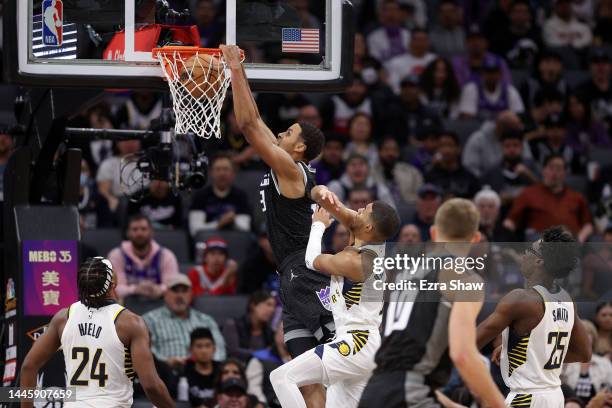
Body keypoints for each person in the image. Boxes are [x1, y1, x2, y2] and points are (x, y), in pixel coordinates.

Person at [221, 44, 331, 406]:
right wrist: (242, 75)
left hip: (307, 270)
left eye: (287, 132)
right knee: (305, 375)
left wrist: (235, 67)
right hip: (290, 272)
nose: (280, 134)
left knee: (335, 367)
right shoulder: (288, 162)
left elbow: (249, 126)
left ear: (298, 149)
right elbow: (257, 124)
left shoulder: (290, 168)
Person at [359, 198, 505, 408]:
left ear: (434, 233)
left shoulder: (404, 274)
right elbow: (463, 354)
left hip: (374, 392)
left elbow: (410, 377)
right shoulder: (464, 277)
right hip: (408, 394)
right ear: (475, 238)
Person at [270, 187, 400, 407]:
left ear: (368, 226)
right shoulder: (371, 243)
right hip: (363, 346)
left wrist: (318, 225)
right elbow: (345, 213)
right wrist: (322, 194)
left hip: (355, 343)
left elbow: (311, 261)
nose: (358, 209)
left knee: (282, 377)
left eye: (365, 209)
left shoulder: (357, 262)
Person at [20, 257, 174, 408]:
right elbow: (151, 386)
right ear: (114, 282)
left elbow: (28, 366)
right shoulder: (130, 322)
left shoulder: (63, 317)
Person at [477, 226, 592, 407]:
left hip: (526, 399)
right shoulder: (567, 299)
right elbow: (584, 353)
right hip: (555, 396)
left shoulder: (520, 299)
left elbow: (473, 341)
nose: (524, 254)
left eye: (530, 250)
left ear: (539, 261)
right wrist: (533, 355)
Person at [503, 154, 593, 242]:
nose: (554, 173)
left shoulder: (576, 197)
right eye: (551, 168)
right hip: (540, 241)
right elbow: (510, 221)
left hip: (570, 242)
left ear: (565, 173)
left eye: (558, 169)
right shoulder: (528, 193)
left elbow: (588, 224)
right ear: (543, 170)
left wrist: (580, 239)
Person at [143, 274, 226, 367]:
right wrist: (165, 362)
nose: (180, 296)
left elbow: (219, 349)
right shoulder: (150, 320)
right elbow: (145, 350)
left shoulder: (206, 320)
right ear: (165, 294)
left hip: (202, 372)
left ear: (191, 295)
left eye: (184, 291)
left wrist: (208, 363)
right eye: (175, 291)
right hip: (166, 373)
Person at [108, 214, 180, 301]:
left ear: (151, 232)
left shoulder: (166, 255)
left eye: (143, 229)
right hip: (126, 307)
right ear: (128, 233)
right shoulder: (117, 255)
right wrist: (136, 289)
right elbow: (114, 288)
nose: (139, 233)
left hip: (159, 303)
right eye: (135, 229)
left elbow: (172, 285)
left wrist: (159, 289)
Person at [188, 153, 252, 237]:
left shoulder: (240, 196)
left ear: (233, 173)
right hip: (208, 240)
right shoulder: (201, 196)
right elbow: (194, 230)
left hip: (234, 240)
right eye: (218, 169)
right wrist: (219, 223)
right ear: (211, 173)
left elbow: (246, 228)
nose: (222, 173)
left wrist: (233, 221)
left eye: (225, 169)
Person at [562, 320, 612, 405]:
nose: (583, 337)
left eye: (587, 333)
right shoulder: (565, 361)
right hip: (570, 403)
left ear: (594, 337)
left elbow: (609, 389)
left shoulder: (604, 363)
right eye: (579, 334)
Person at [462, 110, 524, 178]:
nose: (515, 134)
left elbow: (528, 161)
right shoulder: (477, 139)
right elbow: (470, 168)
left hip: (518, 180)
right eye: (513, 129)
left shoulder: (518, 136)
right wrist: (485, 181)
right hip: (484, 183)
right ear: (501, 127)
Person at [458, 58, 525, 120]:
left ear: (500, 74)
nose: (492, 76)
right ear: (482, 73)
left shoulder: (509, 90)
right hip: (478, 129)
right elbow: (466, 117)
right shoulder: (471, 88)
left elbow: (518, 115)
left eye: (494, 72)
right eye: (488, 72)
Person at [222, 291, 276, 362]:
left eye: (274, 306)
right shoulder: (233, 325)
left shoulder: (269, 332)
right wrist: (255, 354)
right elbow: (232, 351)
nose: (272, 310)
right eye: (268, 304)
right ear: (253, 305)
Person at [425, 131, 481, 199]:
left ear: (458, 149)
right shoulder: (430, 177)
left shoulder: (470, 178)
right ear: (437, 150)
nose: (446, 150)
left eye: (450, 145)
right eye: (442, 146)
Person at [372, 137, 423, 206]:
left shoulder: (412, 172)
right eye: (386, 150)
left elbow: (420, 195)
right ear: (379, 152)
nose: (391, 153)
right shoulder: (371, 171)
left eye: (394, 150)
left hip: (408, 209)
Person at [385, 28, 437, 94]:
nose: (420, 44)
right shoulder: (396, 62)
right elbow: (394, 86)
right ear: (410, 42)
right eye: (417, 40)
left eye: (423, 40)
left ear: (429, 43)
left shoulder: (435, 60)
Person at [185, 328, 220, 408]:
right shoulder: (183, 373)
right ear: (191, 350)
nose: (204, 351)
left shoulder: (223, 371)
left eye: (208, 346)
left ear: (214, 349)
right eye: (199, 346)